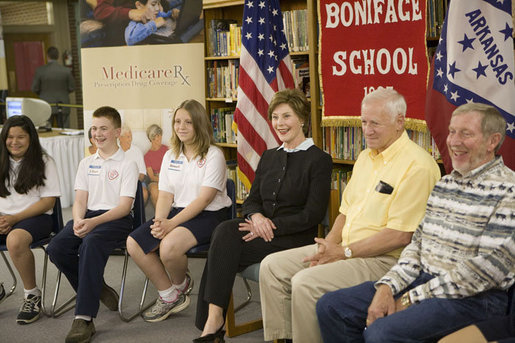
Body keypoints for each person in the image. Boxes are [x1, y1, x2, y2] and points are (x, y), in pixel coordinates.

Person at [316, 102, 515, 343]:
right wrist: (387, 287)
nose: (454, 141)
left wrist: (412, 298)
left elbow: (485, 273)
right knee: (332, 307)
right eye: (452, 131)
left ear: (492, 141)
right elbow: (417, 245)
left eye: (466, 133)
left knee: (383, 333)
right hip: (423, 281)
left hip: (475, 298)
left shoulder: (508, 191)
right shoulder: (446, 185)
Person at [259, 87, 441, 343]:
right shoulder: (365, 157)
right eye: (364, 122)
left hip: (383, 260)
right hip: (346, 250)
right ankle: (283, 339)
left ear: (400, 122)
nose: (367, 130)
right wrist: (329, 246)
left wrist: (342, 253)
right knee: (272, 267)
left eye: (375, 123)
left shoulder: (418, 166)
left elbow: (401, 235)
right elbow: (345, 212)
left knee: (305, 282)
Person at [194, 89, 333, 342]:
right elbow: (252, 200)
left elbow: (311, 215)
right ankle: (213, 323)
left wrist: (270, 226)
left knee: (223, 239)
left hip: (294, 238)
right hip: (260, 234)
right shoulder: (270, 156)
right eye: (276, 117)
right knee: (224, 233)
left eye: (287, 116)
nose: (280, 124)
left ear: (302, 118)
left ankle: (212, 326)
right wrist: (256, 217)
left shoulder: (319, 159)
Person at [126, 99, 232, 322]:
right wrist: (159, 222)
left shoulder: (214, 155)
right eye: (177, 122)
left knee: (168, 247)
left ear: (200, 124)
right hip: (176, 212)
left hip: (210, 214)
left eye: (188, 122)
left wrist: (171, 225)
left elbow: (204, 199)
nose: (181, 127)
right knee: (133, 243)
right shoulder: (170, 154)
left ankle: (180, 284)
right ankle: (170, 294)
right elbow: (164, 194)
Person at [47, 106, 138, 343]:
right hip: (87, 216)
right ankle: (97, 287)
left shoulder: (127, 164)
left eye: (104, 128)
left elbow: (124, 207)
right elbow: (79, 200)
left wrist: (92, 222)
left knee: (91, 242)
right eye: (94, 128)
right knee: (56, 247)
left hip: (115, 219)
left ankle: (84, 318)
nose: (97, 133)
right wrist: (78, 219)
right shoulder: (86, 162)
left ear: (117, 132)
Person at [0, 115, 61, 324]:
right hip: (4, 217)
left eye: (20, 137)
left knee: (15, 240)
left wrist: (14, 218)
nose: (14, 142)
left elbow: (48, 202)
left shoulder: (45, 162)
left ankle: (31, 294)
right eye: (9, 137)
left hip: (36, 217)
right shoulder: (1, 160)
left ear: (31, 139)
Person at [31, 46, 75, 128]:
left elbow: (34, 88)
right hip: (63, 103)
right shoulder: (66, 71)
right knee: (64, 129)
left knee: (46, 129)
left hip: (46, 104)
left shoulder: (40, 71)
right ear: (58, 56)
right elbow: (72, 87)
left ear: (47, 56)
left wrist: (43, 94)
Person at [119, 125, 148, 203]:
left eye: (131, 136)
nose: (130, 139)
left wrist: (131, 182)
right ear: (120, 138)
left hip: (135, 181)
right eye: (128, 137)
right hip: (118, 182)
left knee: (144, 193)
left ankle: (137, 214)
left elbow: (142, 174)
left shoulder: (136, 151)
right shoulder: (115, 151)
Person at [144, 123, 168, 207]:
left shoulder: (166, 149)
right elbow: (152, 177)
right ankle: (160, 216)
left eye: (160, 135)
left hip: (168, 178)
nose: (159, 138)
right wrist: (162, 180)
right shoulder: (147, 156)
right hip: (155, 181)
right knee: (155, 191)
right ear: (151, 138)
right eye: (156, 137)